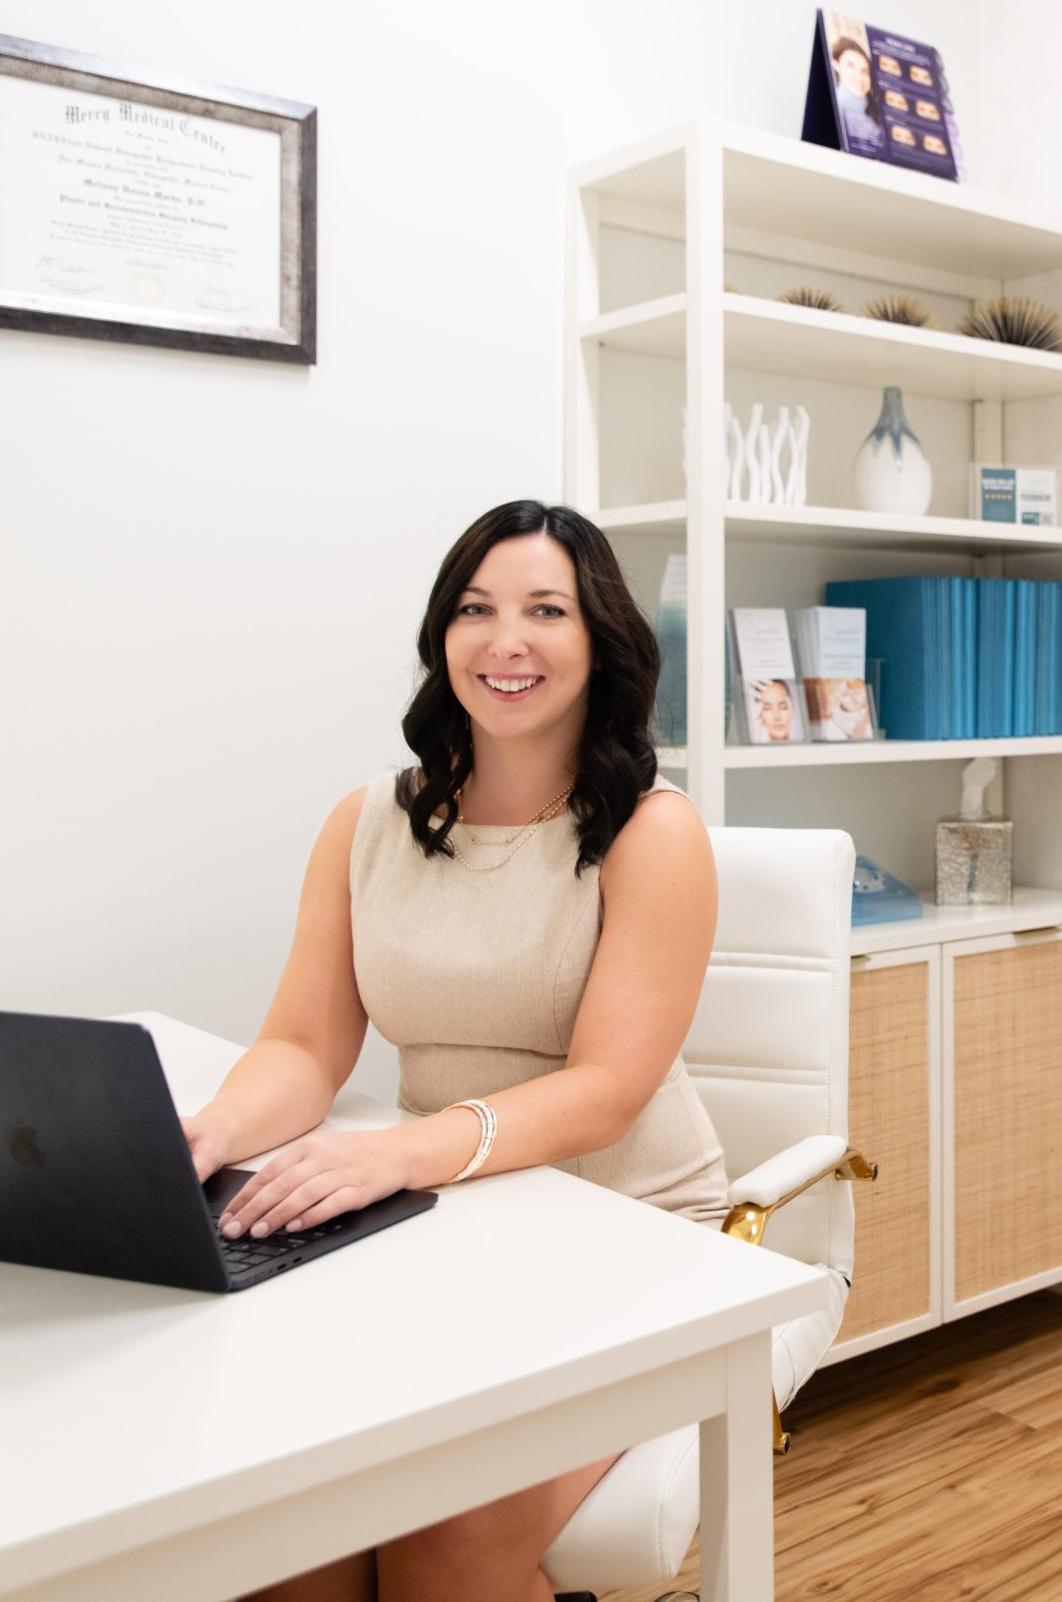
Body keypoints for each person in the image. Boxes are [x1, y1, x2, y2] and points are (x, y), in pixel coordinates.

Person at [185, 500, 726, 1602]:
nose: (505, 640)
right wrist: (204, 1135)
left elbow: (608, 1092)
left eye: (545, 611)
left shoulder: (651, 832)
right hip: (446, 1233)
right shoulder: (367, 822)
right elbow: (301, 1045)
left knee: (446, 1544)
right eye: (476, 609)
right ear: (443, 637)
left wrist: (397, 1154)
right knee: (289, 1524)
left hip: (625, 1236)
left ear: (600, 642)